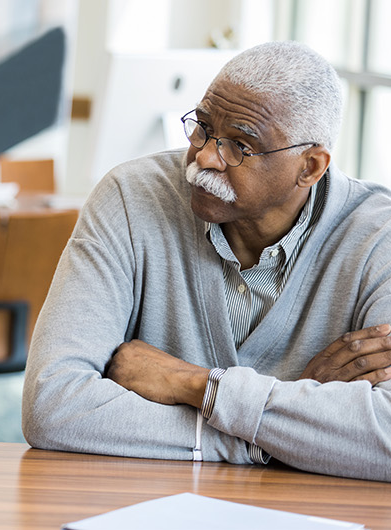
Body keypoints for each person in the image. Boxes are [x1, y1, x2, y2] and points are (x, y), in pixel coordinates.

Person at [24, 41, 391, 482]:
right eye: (201, 127)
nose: (203, 157)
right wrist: (282, 433)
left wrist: (196, 385)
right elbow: (53, 405)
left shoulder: (378, 238)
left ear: (310, 167)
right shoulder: (129, 197)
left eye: (239, 145)